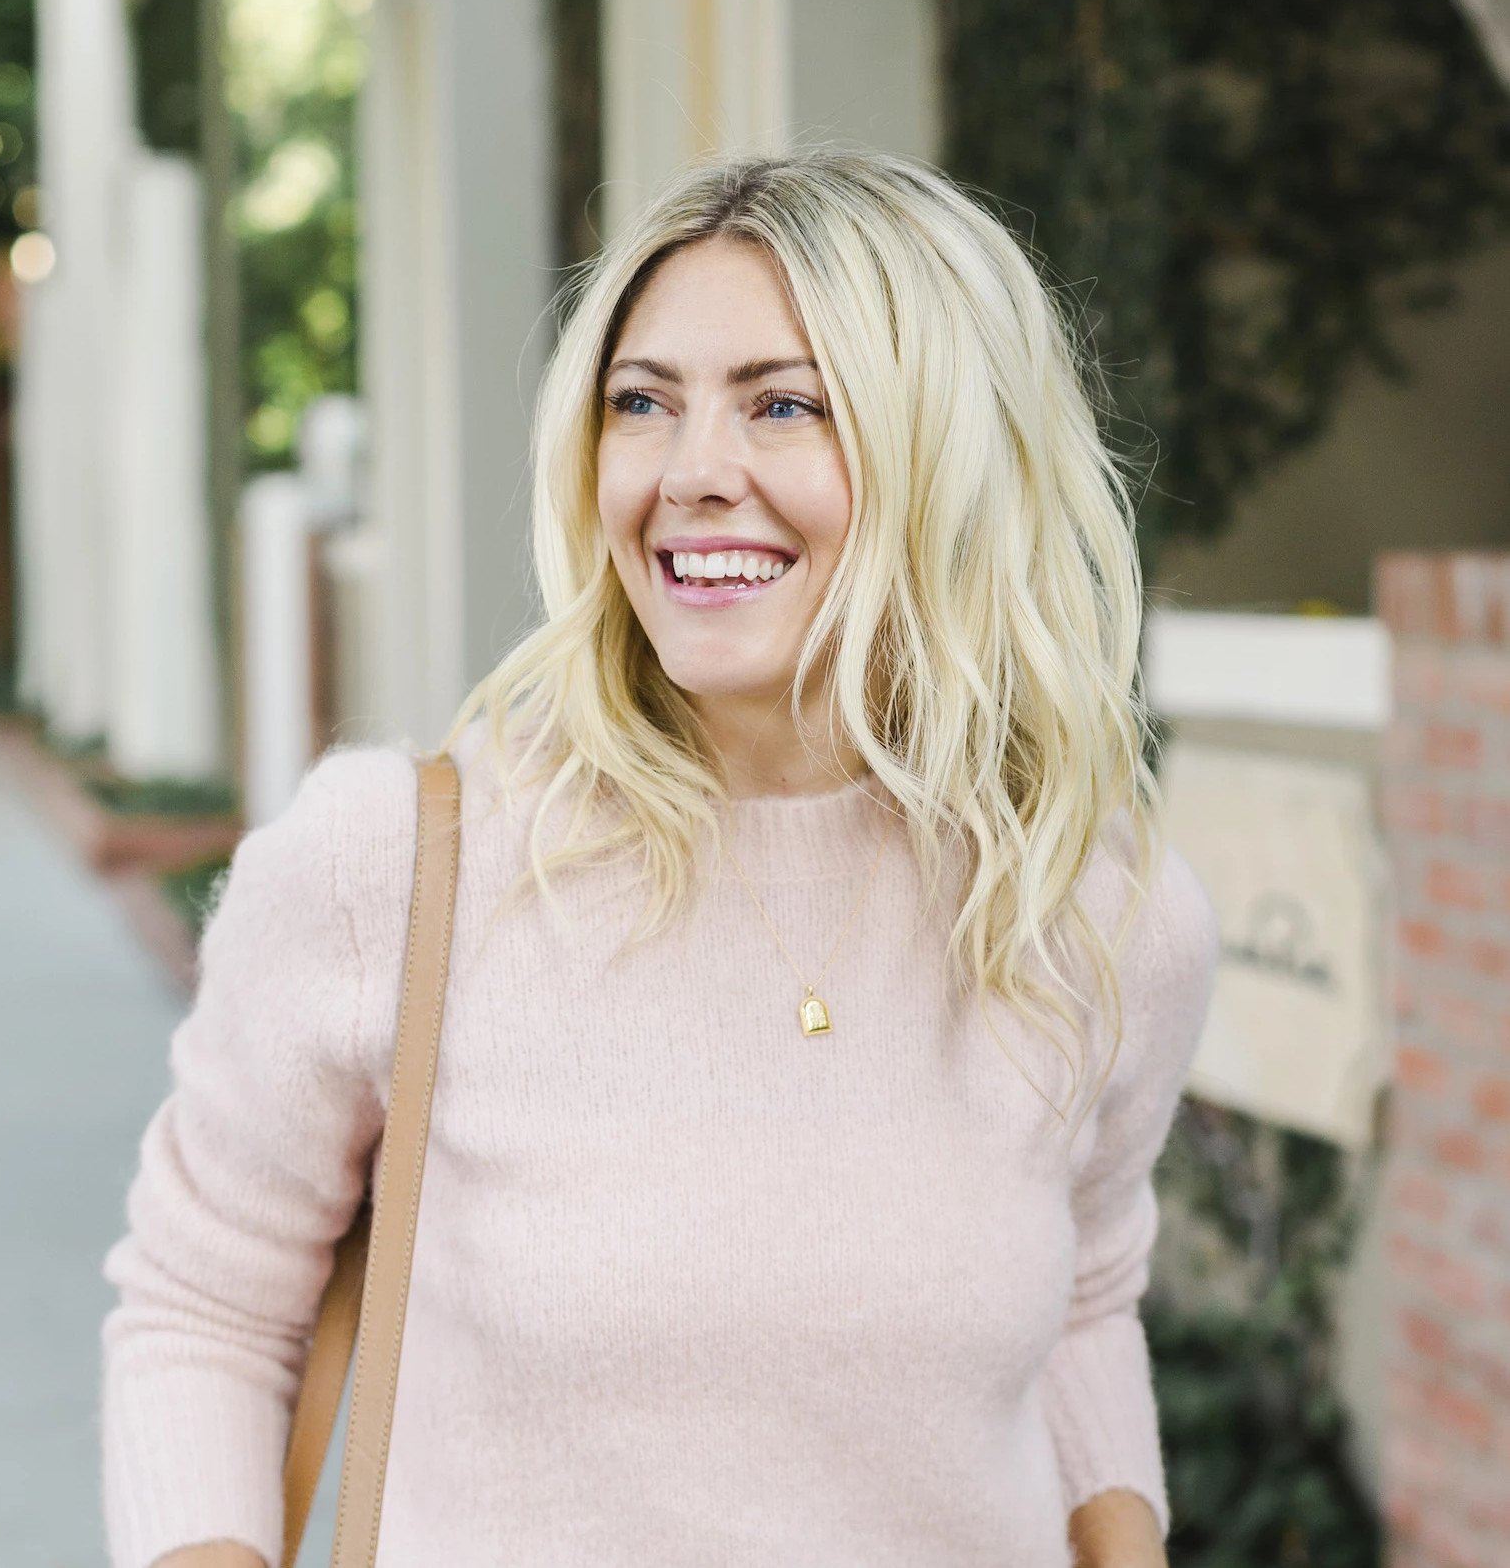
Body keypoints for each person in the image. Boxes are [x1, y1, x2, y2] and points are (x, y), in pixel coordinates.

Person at [99, 148, 1220, 1568]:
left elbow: (1081, 1295)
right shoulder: (395, 865)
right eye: (643, 404)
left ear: (946, 447)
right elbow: (204, 1309)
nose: (695, 475)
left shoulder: (1093, 908)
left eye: (783, 405)